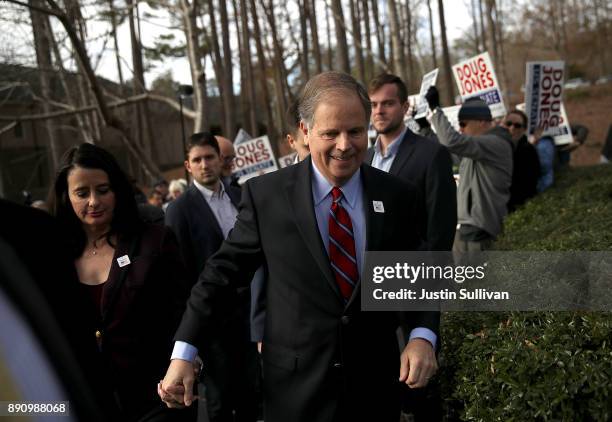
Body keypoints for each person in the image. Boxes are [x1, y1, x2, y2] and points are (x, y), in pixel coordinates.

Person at [159, 71, 439, 422]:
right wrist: (185, 351)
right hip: (294, 393)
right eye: (330, 133)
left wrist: (422, 335)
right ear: (305, 131)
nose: (344, 145)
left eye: (354, 131)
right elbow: (221, 274)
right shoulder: (267, 196)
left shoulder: (397, 195)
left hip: (373, 388)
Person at [48, 143, 193, 422]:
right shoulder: (51, 254)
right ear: (65, 196)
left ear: (117, 190)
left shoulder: (155, 240)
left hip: (158, 398)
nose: (93, 201)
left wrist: (186, 364)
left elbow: (184, 314)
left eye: (102, 190)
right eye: (81, 193)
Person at [165, 133, 258, 422]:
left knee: (253, 396)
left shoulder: (241, 196)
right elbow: (179, 277)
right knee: (219, 402)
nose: (204, 164)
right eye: (197, 160)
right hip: (213, 325)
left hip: (251, 317)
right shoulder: (179, 211)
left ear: (221, 160)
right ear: (188, 166)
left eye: (209, 157)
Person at [366, 73, 456, 251]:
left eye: (388, 103)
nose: (378, 111)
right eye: (373, 105)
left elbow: (441, 229)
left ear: (405, 107)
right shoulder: (363, 158)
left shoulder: (433, 155)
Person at [425, 86, 513, 252]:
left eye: (463, 123)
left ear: (481, 122)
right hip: (466, 227)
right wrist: (425, 129)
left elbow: (451, 141)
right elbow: (445, 152)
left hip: (480, 229)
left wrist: (436, 111)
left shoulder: (495, 143)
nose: (461, 129)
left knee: (475, 279)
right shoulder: (476, 148)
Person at [502, 109, 540, 212]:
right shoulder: (495, 146)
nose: (512, 128)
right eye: (508, 124)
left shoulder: (528, 151)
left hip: (517, 209)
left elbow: (529, 184)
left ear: (524, 129)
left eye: (517, 125)